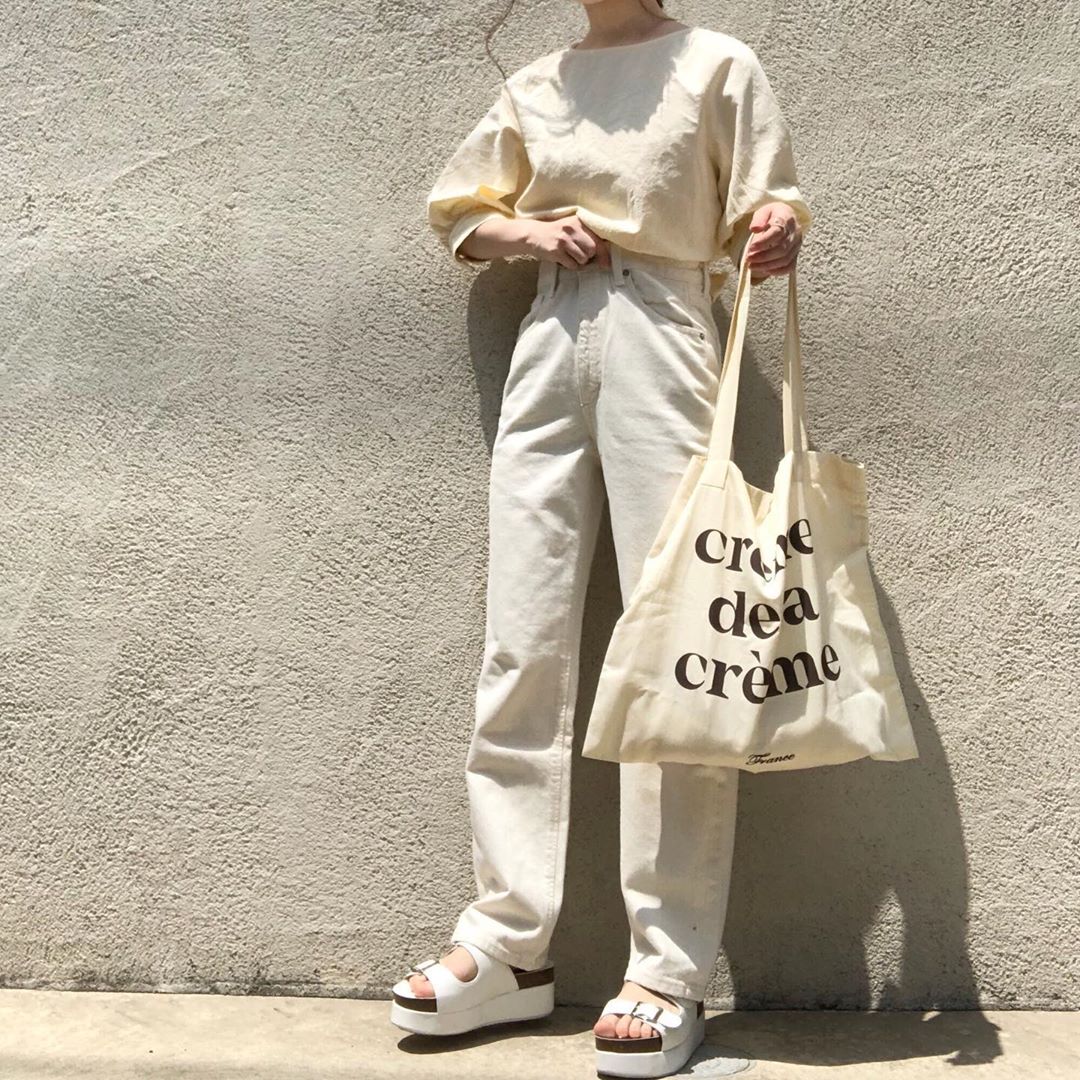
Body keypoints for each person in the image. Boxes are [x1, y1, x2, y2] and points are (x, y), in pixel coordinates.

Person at [391, 1, 812, 1075]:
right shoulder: (539, 83)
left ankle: (666, 968)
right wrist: (527, 232)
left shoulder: (718, 65)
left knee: (675, 648)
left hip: (668, 331)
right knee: (520, 643)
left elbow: (772, 202)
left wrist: (778, 229)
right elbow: (459, 210)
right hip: (552, 334)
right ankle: (507, 945)